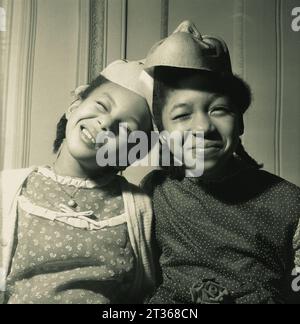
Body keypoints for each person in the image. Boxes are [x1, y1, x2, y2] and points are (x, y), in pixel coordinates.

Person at [141, 21, 300, 304]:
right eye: (181, 115)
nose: (202, 126)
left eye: (219, 109)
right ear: (163, 133)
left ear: (239, 122)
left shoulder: (289, 201)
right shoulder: (155, 192)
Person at [0, 59, 155, 304]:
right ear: (74, 106)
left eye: (126, 129)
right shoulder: (9, 189)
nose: (106, 123)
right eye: (102, 106)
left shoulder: (139, 207)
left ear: (134, 152)